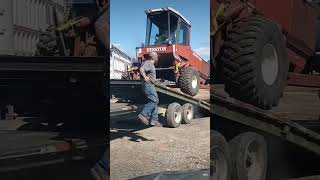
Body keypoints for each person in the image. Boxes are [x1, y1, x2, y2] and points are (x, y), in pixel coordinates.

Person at [138, 52, 163, 127]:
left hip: (151, 84)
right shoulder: (148, 63)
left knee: (155, 101)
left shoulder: (151, 64)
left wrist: (156, 81)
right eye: (157, 57)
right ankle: (143, 114)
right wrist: (145, 77)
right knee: (154, 100)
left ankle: (154, 120)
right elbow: (141, 69)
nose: (157, 59)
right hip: (148, 85)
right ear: (154, 58)